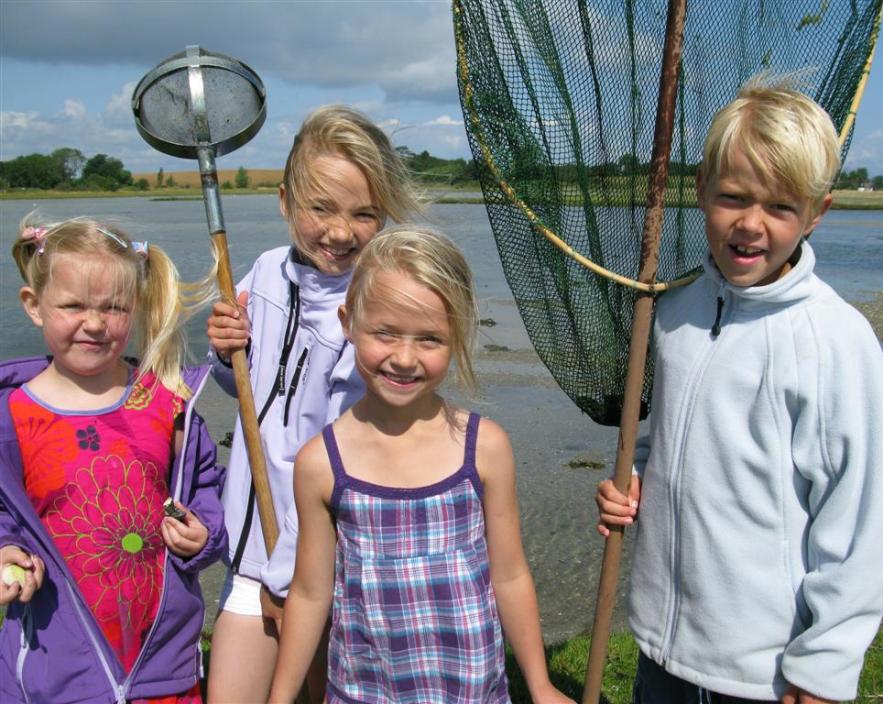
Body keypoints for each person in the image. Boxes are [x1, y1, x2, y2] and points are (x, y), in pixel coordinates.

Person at [594, 80, 883, 703]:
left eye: (781, 207)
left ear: (817, 213)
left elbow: (858, 514)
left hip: (760, 670)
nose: (751, 225)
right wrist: (636, 479)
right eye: (732, 197)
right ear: (701, 189)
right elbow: (670, 439)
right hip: (661, 647)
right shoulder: (673, 311)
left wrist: (825, 665)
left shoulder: (834, 340)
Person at [267, 226, 573, 703]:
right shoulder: (321, 463)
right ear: (348, 321)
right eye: (384, 333)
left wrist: (540, 684)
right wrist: (280, 697)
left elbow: (510, 574)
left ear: (457, 336)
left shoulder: (484, 447)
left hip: (470, 690)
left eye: (429, 339)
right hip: (364, 692)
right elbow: (309, 593)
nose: (405, 359)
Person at [205, 104, 423, 702]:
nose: (340, 232)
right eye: (320, 208)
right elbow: (244, 390)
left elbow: (340, 459)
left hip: (329, 561)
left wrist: (290, 577)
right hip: (253, 547)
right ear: (284, 201)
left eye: (364, 214)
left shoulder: (375, 311)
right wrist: (224, 353)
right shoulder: (262, 273)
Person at [0, 216, 227, 703]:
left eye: (114, 307)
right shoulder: (12, 416)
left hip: (163, 668)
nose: (95, 323)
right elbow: (5, 512)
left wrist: (203, 534)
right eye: (73, 306)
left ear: (136, 307)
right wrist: (5, 551)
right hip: (56, 671)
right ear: (34, 305)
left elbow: (204, 485)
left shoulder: (166, 401)